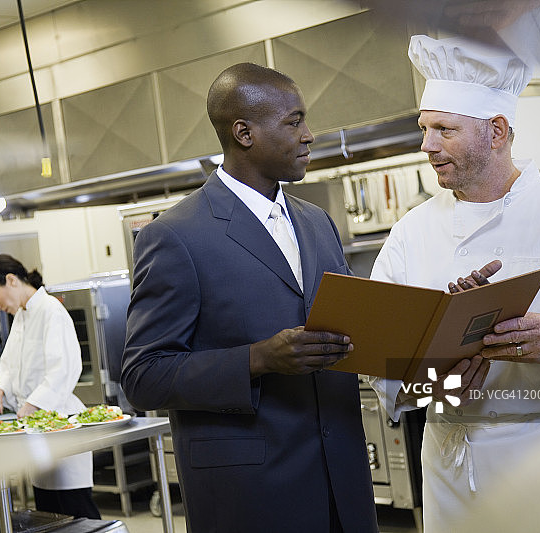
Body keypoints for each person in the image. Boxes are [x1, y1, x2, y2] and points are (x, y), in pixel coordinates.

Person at [121, 63, 378, 533]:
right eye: (294, 122)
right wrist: (257, 359)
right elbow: (143, 376)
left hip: (343, 484)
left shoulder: (317, 221)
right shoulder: (175, 236)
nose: (309, 135)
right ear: (244, 133)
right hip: (251, 495)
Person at [369, 34, 540, 532]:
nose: (427, 146)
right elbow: (378, 355)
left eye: (444, 130)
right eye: (424, 129)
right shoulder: (411, 232)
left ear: (496, 131)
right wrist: (433, 384)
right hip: (452, 470)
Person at [0, 254, 101, 520]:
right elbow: (10, 366)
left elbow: (64, 368)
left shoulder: (51, 310)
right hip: (37, 429)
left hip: (59, 423)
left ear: (11, 280)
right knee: (49, 515)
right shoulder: (22, 315)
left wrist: (33, 404)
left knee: (77, 514)